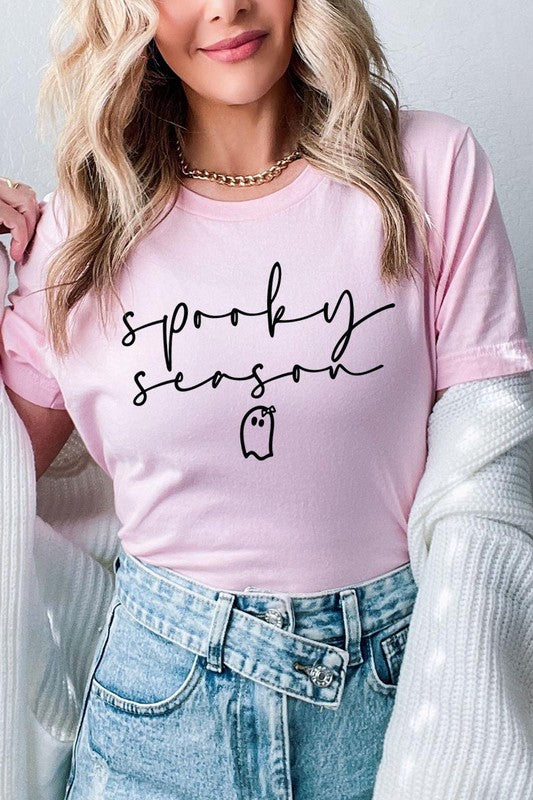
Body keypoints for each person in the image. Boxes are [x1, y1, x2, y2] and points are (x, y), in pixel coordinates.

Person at [1, 1, 533, 798]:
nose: (227, 8)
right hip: (157, 721)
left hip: (397, 700)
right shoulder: (83, 228)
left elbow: (487, 467)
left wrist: (452, 747)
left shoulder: (427, 167)